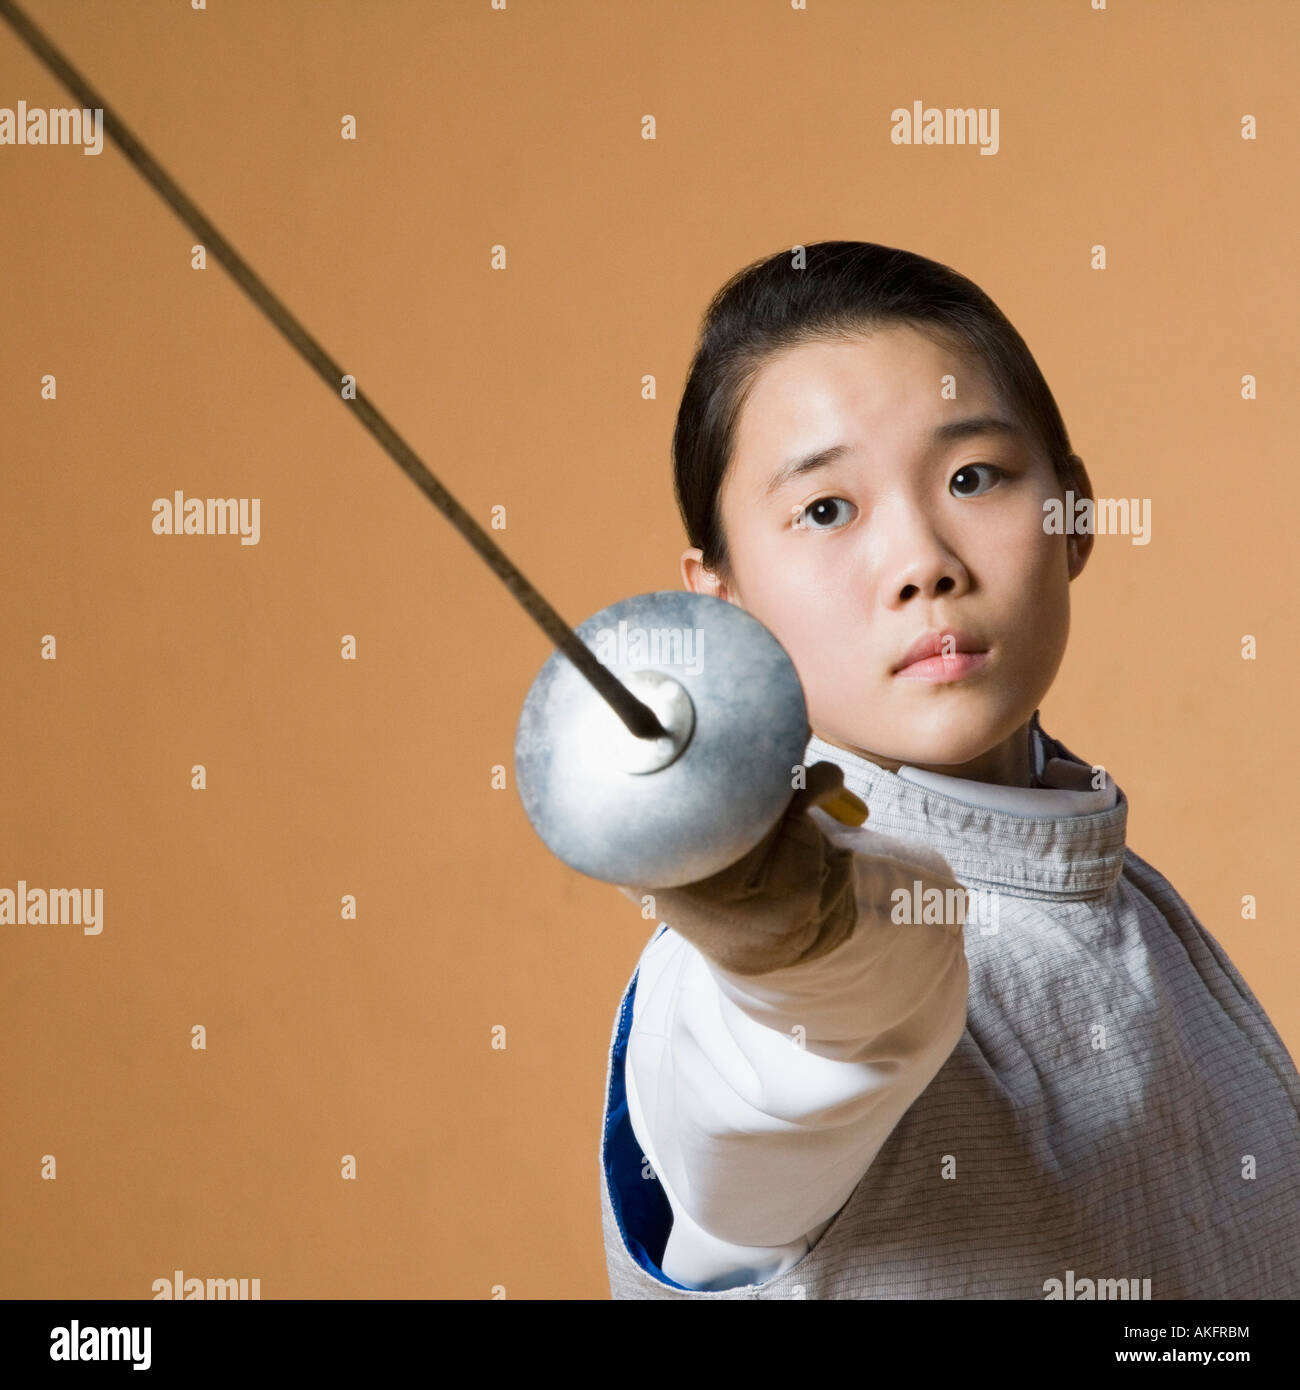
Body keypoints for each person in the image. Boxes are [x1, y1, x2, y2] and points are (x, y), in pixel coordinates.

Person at [598, 241, 1300, 1299]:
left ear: (1074, 514)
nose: (923, 560)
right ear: (722, 601)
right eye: (825, 509)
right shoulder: (711, 986)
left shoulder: (1123, 901)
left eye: (973, 477)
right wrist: (785, 923)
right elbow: (807, 1046)